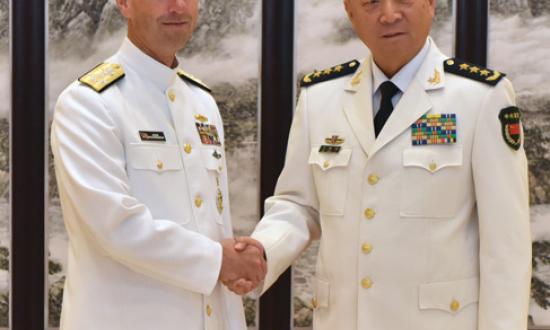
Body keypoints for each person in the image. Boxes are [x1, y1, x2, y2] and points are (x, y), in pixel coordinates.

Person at [233, 0, 531, 329]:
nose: (389, 14)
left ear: (431, 4)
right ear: (350, 12)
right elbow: (298, 205)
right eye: (371, 2)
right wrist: (263, 252)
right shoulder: (320, 96)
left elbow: (506, 247)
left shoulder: (480, 97)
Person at [50, 0, 266, 329]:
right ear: (124, 3)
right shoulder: (89, 103)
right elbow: (115, 227)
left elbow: (212, 225)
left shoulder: (202, 102)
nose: (177, 7)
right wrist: (221, 261)